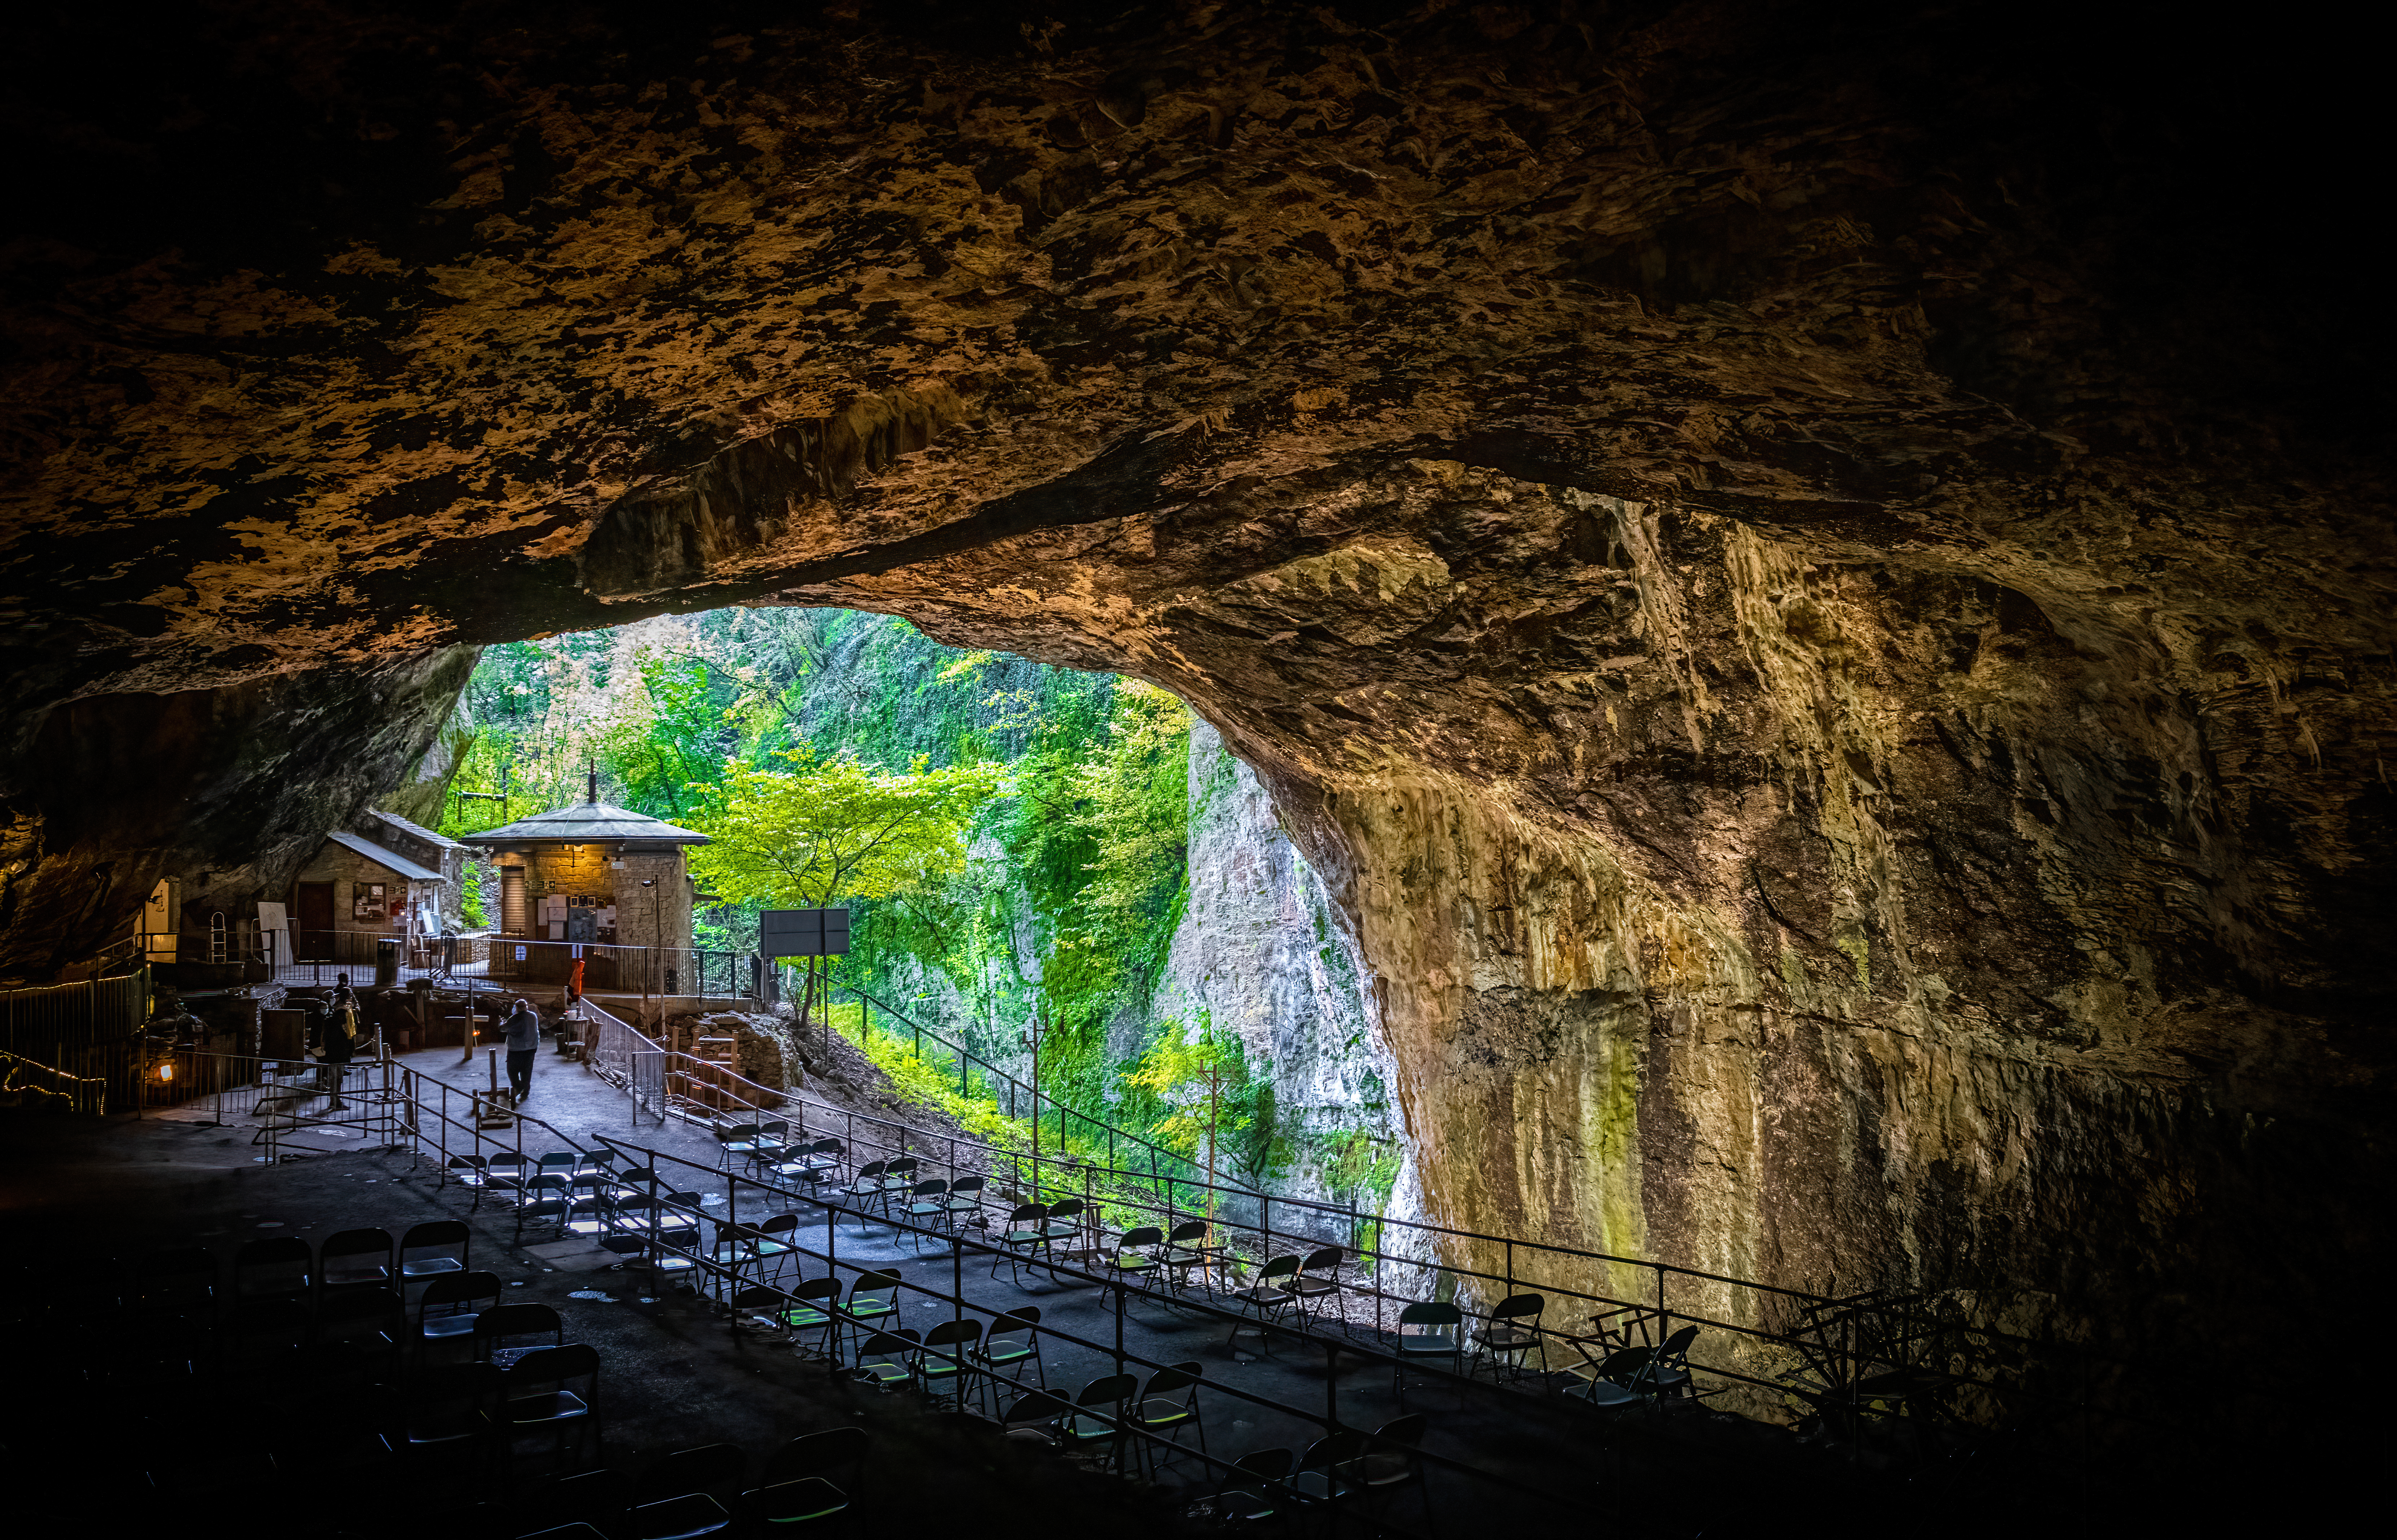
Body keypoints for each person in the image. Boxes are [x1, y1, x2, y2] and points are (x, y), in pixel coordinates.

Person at [320, 990, 358, 1109]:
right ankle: (336, 1102)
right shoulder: (346, 1013)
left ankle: (334, 1100)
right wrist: (351, 1050)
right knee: (337, 1077)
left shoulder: (336, 1011)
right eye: (351, 996)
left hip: (333, 1050)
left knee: (334, 1077)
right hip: (340, 1050)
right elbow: (351, 1033)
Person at [501, 995, 541, 1103]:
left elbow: (503, 1028)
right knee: (527, 1071)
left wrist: (501, 1022)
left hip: (516, 1050)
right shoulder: (533, 1016)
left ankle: (518, 1087)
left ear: (517, 1008)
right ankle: (525, 1092)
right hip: (531, 1048)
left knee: (512, 1071)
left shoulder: (514, 1018)